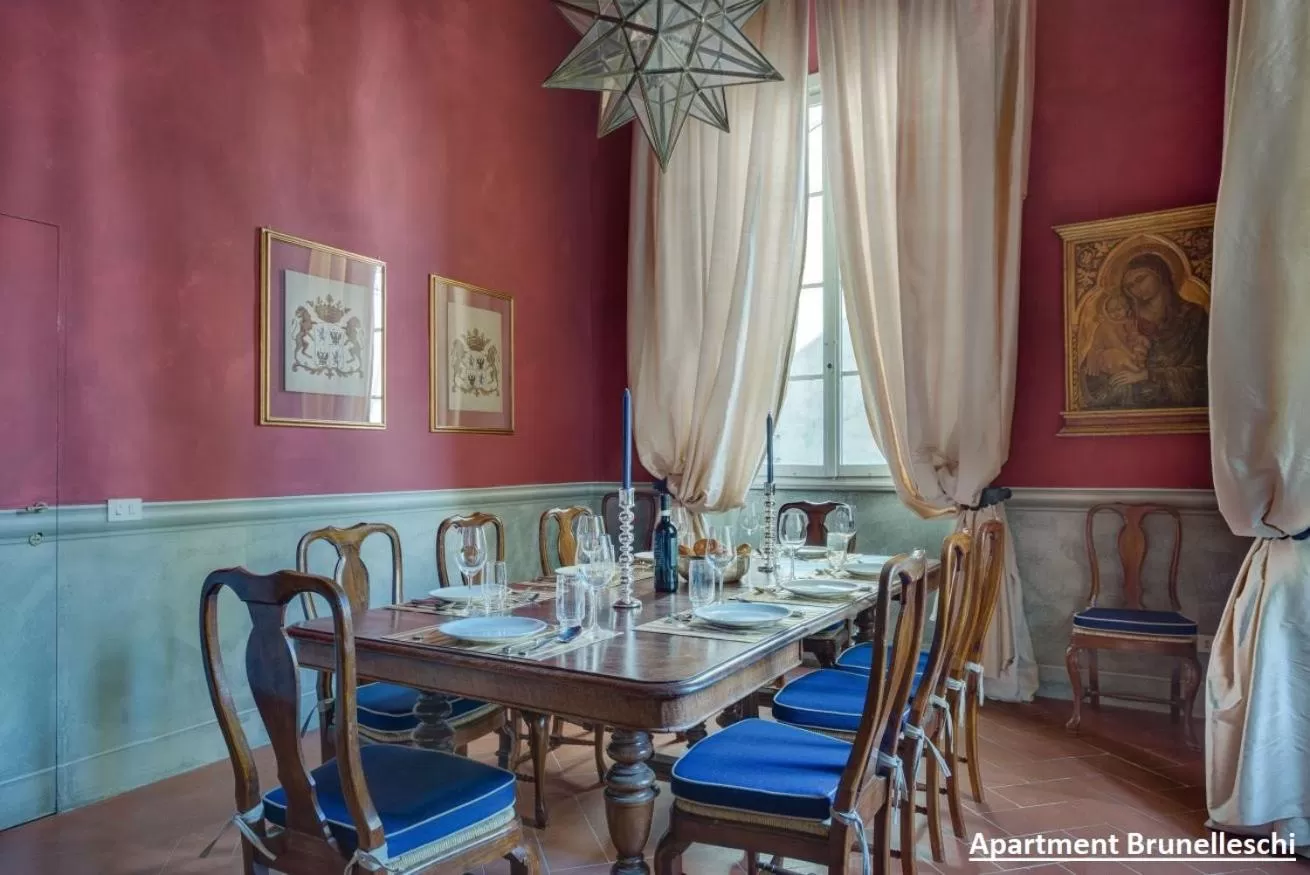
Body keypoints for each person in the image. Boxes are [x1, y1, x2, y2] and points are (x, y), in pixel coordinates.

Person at [1082, 251, 1208, 409]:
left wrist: (1147, 375)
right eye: (1130, 286)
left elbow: (1204, 372)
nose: (1136, 288)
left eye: (1140, 279)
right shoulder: (1126, 319)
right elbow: (1089, 375)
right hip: (1126, 403)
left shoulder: (1192, 316)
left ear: (1159, 274)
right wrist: (1096, 353)